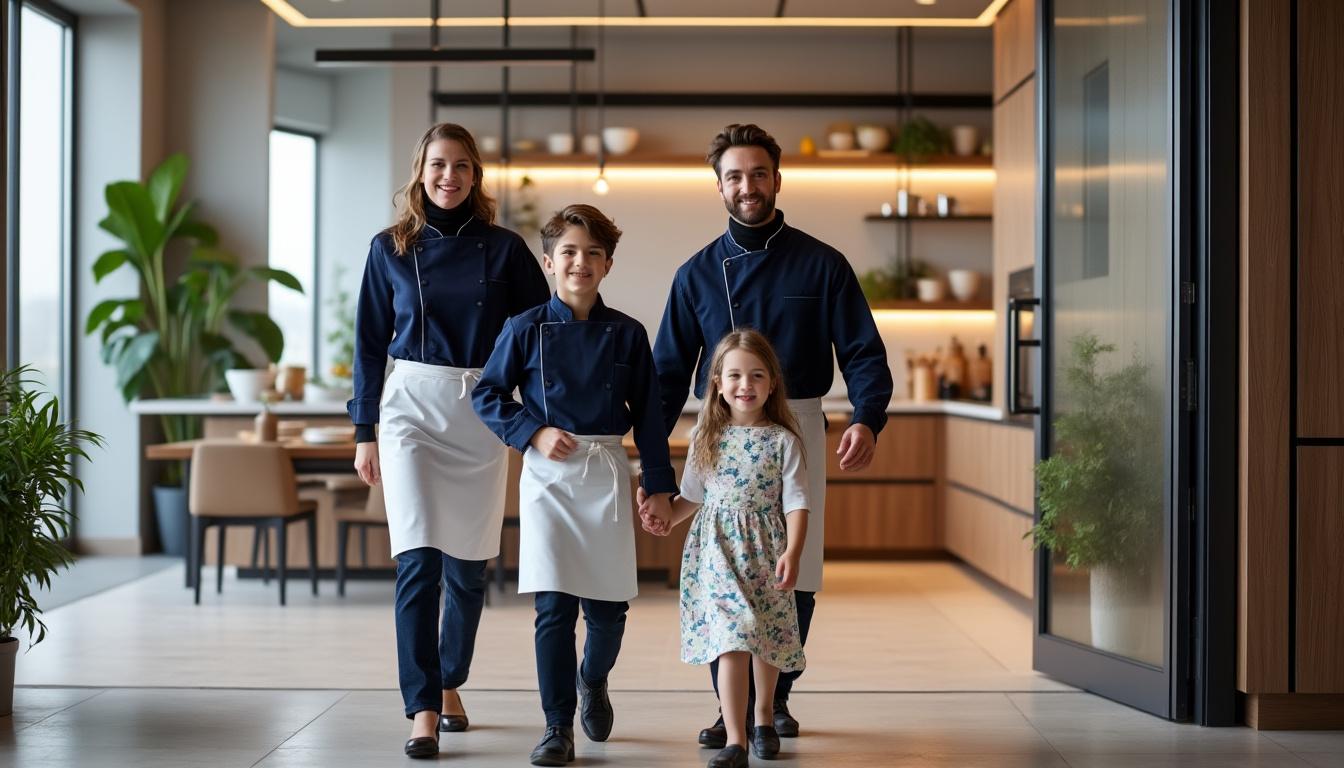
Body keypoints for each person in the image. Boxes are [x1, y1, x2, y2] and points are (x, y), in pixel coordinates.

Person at [652, 123, 894, 746]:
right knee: (723, 579)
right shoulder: (696, 274)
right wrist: (654, 467)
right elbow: (666, 376)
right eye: (734, 176)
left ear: (777, 180)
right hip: (719, 432)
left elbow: (864, 351)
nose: (747, 186)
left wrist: (866, 416)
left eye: (758, 174)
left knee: (796, 572)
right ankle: (731, 711)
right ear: (719, 186)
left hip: (799, 425)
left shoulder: (823, 264)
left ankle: (775, 700)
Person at [348, 122, 550, 760]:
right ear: (421, 171)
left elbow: (540, 334)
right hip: (410, 405)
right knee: (417, 561)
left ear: (475, 175)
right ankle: (423, 709)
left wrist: (532, 418)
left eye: (461, 165)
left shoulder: (506, 249)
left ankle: (448, 678)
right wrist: (364, 430)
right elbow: (368, 343)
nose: (449, 176)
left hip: (481, 408)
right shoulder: (389, 248)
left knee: (467, 568)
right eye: (438, 164)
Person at [472, 204, 676, 767]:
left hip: (606, 472)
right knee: (554, 609)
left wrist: (659, 486)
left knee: (609, 614)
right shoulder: (523, 328)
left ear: (607, 264)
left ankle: (593, 678)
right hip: (548, 479)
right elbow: (487, 394)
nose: (579, 262)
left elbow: (650, 418)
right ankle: (556, 725)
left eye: (592, 253)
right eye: (568, 252)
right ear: (548, 261)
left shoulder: (629, 334)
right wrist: (533, 432)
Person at [643, 329, 810, 768]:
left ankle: (763, 719)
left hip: (766, 552)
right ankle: (736, 739)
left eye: (756, 375)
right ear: (717, 382)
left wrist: (793, 552)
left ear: (772, 383)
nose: (745, 385)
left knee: (766, 635)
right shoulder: (706, 435)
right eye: (734, 375)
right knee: (732, 637)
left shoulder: (783, 441)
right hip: (716, 553)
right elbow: (692, 497)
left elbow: (796, 502)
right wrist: (666, 517)